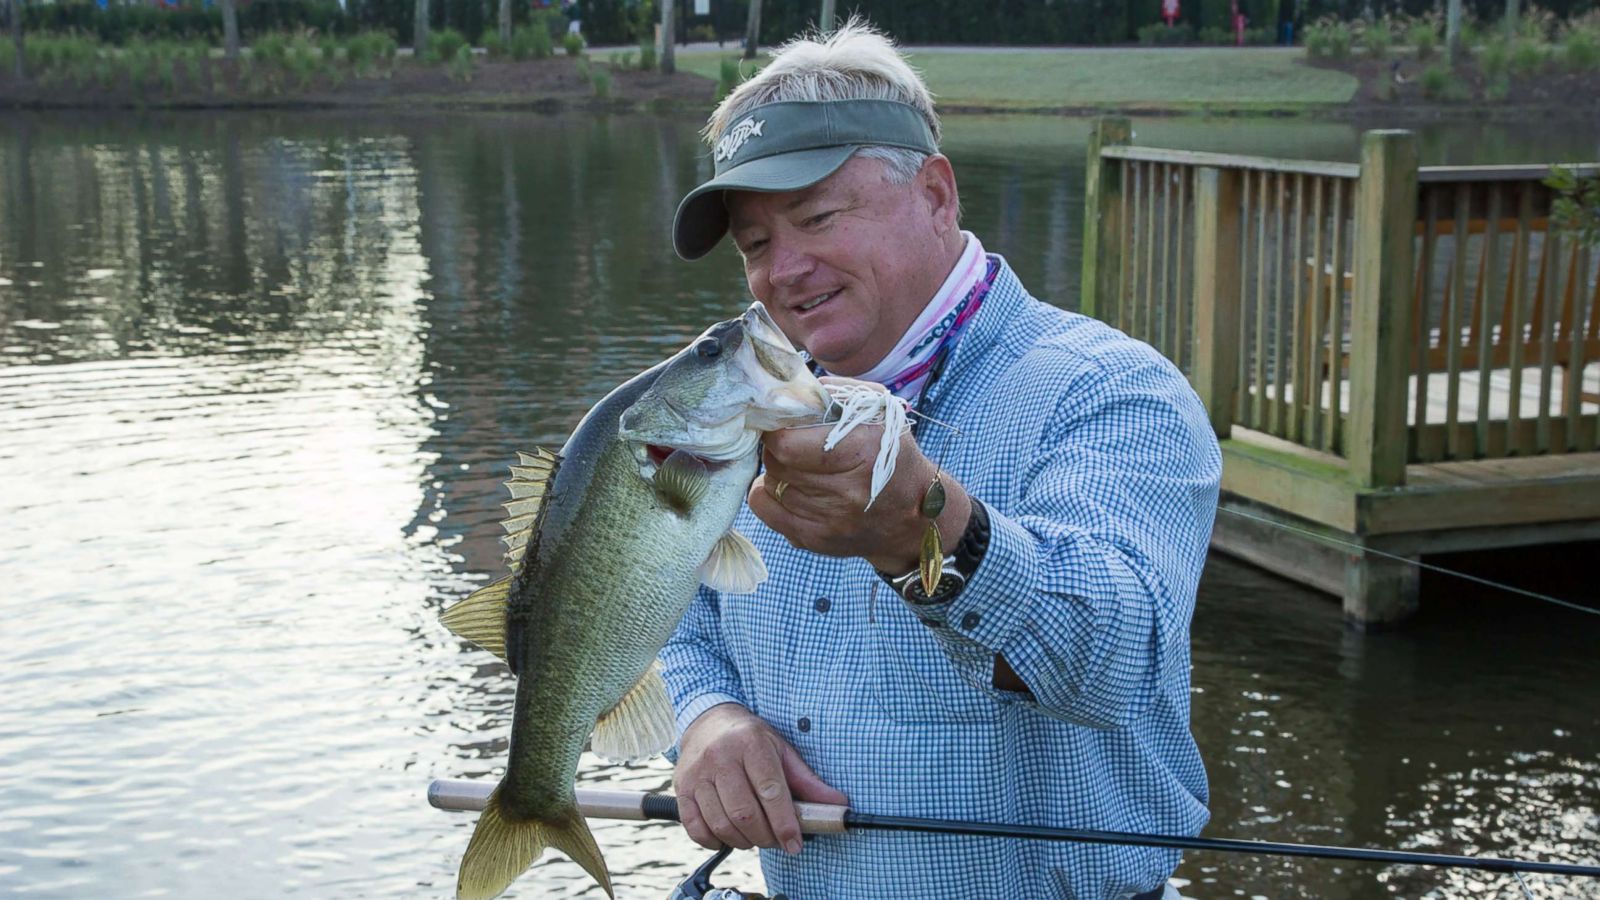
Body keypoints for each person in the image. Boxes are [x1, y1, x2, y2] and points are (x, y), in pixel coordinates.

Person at [659, 21, 1221, 900]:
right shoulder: (749, 405)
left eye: (815, 216)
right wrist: (705, 717)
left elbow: (1119, 660)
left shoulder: (1111, 392)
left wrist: (926, 536)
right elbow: (682, 610)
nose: (785, 270)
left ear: (934, 193)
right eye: (756, 244)